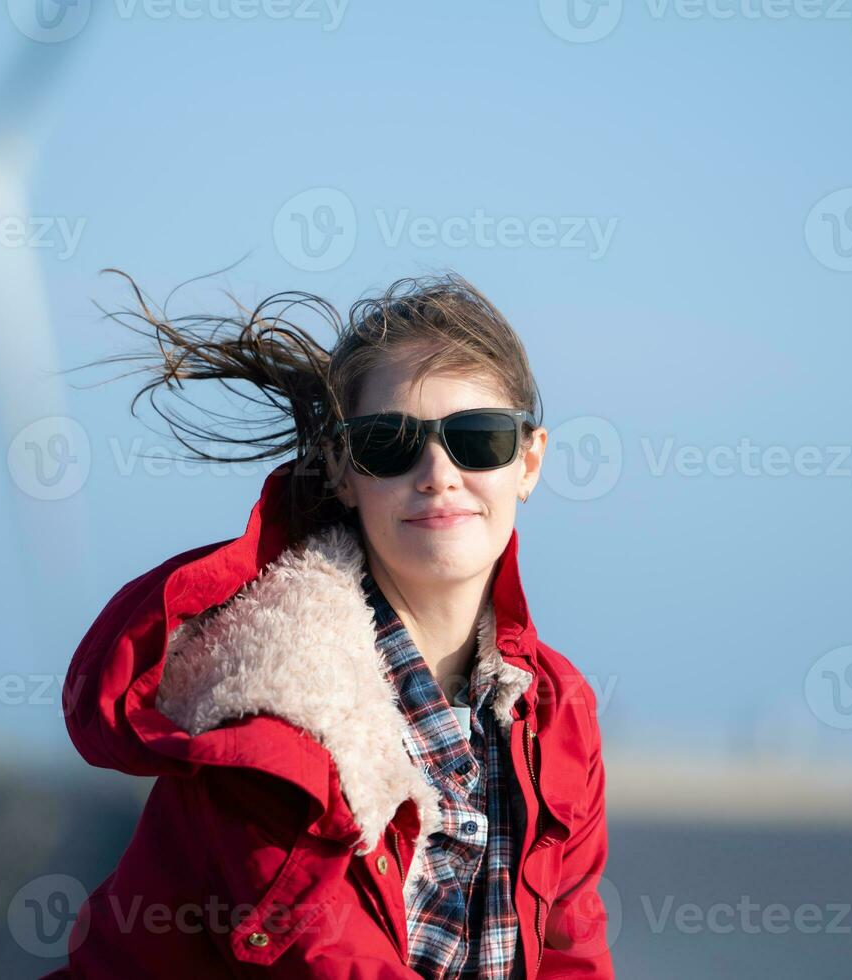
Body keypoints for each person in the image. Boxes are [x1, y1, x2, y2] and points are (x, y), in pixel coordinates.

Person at [45, 272, 611, 978]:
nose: (438, 472)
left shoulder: (556, 712)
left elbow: (571, 952)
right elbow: (331, 961)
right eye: (389, 444)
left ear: (528, 461)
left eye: (478, 438)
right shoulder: (270, 707)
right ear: (345, 469)